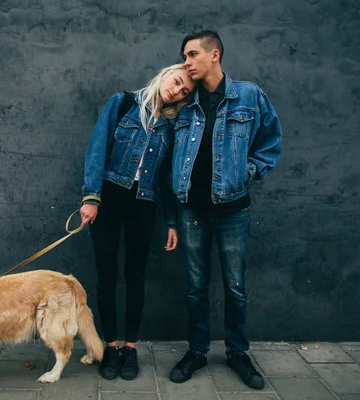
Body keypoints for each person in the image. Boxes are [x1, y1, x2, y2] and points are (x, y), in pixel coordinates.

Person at [168, 31, 282, 390]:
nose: (186, 62)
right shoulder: (186, 103)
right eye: (185, 56)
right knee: (195, 287)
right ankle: (197, 351)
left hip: (234, 211)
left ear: (214, 54)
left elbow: (270, 143)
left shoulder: (249, 96)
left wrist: (246, 172)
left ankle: (237, 353)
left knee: (235, 288)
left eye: (192, 54)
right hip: (192, 212)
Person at [80, 64, 195, 381]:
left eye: (184, 92)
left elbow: (169, 178)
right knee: (106, 275)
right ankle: (111, 346)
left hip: (143, 204)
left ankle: (130, 348)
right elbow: (97, 148)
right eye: (177, 82)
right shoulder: (123, 103)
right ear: (166, 74)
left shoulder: (171, 126)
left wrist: (172, 222)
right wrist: (91, 197)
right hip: (109, 197)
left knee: (135, 276)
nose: (177, 91)